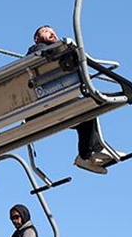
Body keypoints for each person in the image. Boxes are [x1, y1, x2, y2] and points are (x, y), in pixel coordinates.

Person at [29, 25, 122, 174]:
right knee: (88, 105)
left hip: (48, 105)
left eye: (53, 31)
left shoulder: (52, 56)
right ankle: (90, 153)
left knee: (85, 118)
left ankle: (88, 155)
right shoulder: (38, 51)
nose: (52, 33)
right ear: (37, 38)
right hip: (46, 104)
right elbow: (40, 57)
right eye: (46, 31)